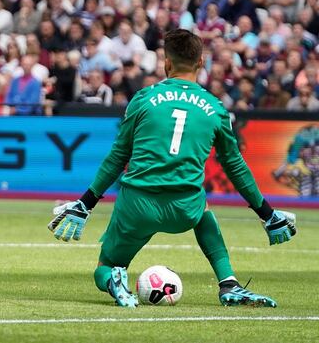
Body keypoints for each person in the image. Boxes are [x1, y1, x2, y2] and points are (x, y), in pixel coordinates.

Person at [48, 29, 297, 308]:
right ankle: (229, 283)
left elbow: (118, 156)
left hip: (137, 206)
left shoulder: (143, 99)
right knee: (203, 211)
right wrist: (267, 213)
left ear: (167, 64)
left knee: (104, 266)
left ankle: (114, 278)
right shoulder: (215, 109)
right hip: (185, 208)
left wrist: (86, 202)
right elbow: (235, 167)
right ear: (201, 63)